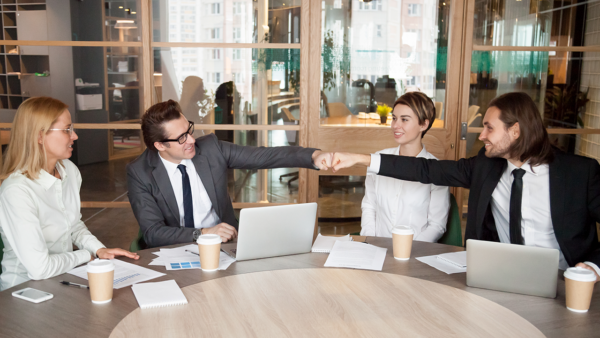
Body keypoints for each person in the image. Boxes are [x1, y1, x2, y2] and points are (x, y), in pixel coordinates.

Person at [331, 92, 600, 280]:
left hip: (564, 279)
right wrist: (360, 159)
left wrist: (593, 266)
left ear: (515, 131)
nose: (481, 136)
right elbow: (425, 169)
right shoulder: (486, 166)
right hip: (499, 276)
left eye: (489, 128)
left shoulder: (579, 173)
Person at [127, 100, 332, 248]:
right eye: (181, 138)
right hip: (175, 250)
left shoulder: (211, 149)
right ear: (160, 145)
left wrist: (313, 156)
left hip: (226, 246)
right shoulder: (140, 172)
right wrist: (204, 233)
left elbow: (265, 156)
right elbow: (154, 233)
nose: (191, 140)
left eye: (189, 130)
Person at [0, 97, 139, 291]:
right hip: (21, 290)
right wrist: (85, 255)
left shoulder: (69, 170)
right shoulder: (16, 191)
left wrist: (98, 249)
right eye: (67, 130)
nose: (74, 136)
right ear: (40, 136)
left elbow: (72, 224)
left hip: (60, 278)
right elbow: (40, 269)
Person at [361, 92, 449, 241]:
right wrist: (370, 241)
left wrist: (410, 250)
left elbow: (436, 225)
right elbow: (369, 206)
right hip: (376, 250)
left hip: (415, 252)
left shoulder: (436, 170)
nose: (396, 125)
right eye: (394, 118)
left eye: (404, 119)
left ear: (424, 124)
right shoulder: (377, 160)